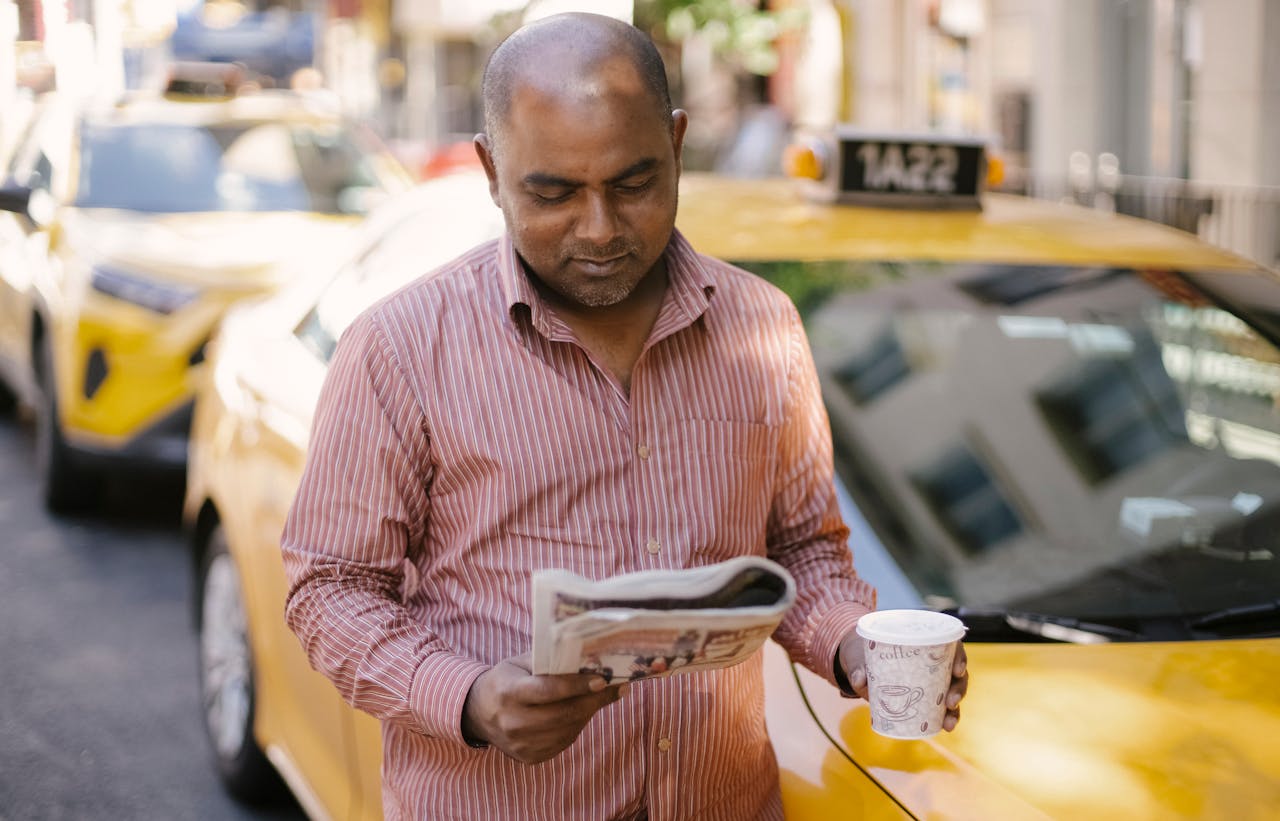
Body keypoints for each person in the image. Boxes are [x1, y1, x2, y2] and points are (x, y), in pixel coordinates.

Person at [281, 12, 968, 820]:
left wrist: (856, 642)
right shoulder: (399, 349)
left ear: (677, 145)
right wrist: (466, 696)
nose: (600, 228)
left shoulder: (765, 327)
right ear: (491, 171)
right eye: (554, 193)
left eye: (633, 184)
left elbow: (802, 551)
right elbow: (330, 588)